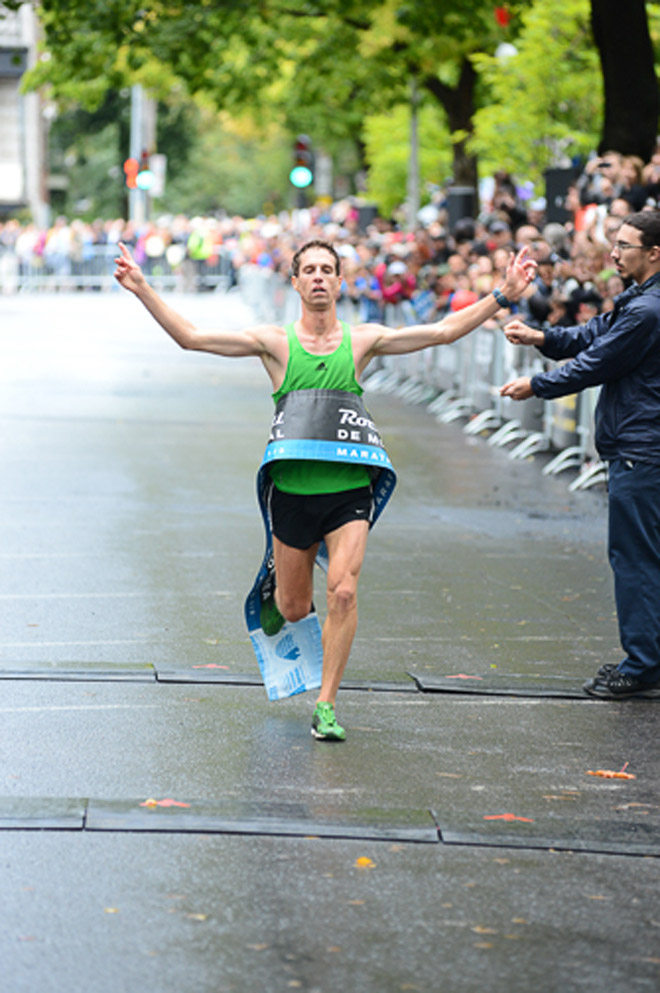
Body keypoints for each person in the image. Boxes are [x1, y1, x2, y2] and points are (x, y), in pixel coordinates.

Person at [114, 237, 536, 739]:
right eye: (308, 270)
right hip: (292, 491)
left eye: (326, 270)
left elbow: (442, 331)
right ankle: (278, 587)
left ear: (339, 282)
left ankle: (327, 705)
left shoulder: (363, 341)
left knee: (342, 591)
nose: (318, 277)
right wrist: (142, 287)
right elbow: (191, 338)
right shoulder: (274, 343)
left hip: (349, 486)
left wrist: (503, 296)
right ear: (294, 282)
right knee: (295, 608)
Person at [499, 211, 660, 699]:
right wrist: (541, 337)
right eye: (614, 242)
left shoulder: (647, 310)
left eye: (626, 245)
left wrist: (537, 385)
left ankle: (640, 666)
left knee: (635, 558)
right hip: (642, 447)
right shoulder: (639, 301)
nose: (614, 253)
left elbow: (596, 361)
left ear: (654, 253)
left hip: (641, 449)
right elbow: (592, 335)